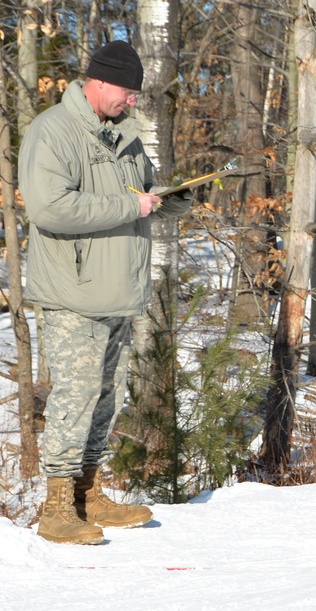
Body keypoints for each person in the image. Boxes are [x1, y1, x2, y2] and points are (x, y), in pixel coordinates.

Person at [19, 40, 194, 544]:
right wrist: (129, 206)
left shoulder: (126, 136)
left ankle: (88, 495)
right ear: (97, 81)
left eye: (135, 94)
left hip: (120, 290)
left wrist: (173, 200)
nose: (132, 101)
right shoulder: (52, 131)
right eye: (127, 91)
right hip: (73, 292)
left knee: (106, 397)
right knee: (74, 397)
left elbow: (142, 198)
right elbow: (50, 208)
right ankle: (56, 508)